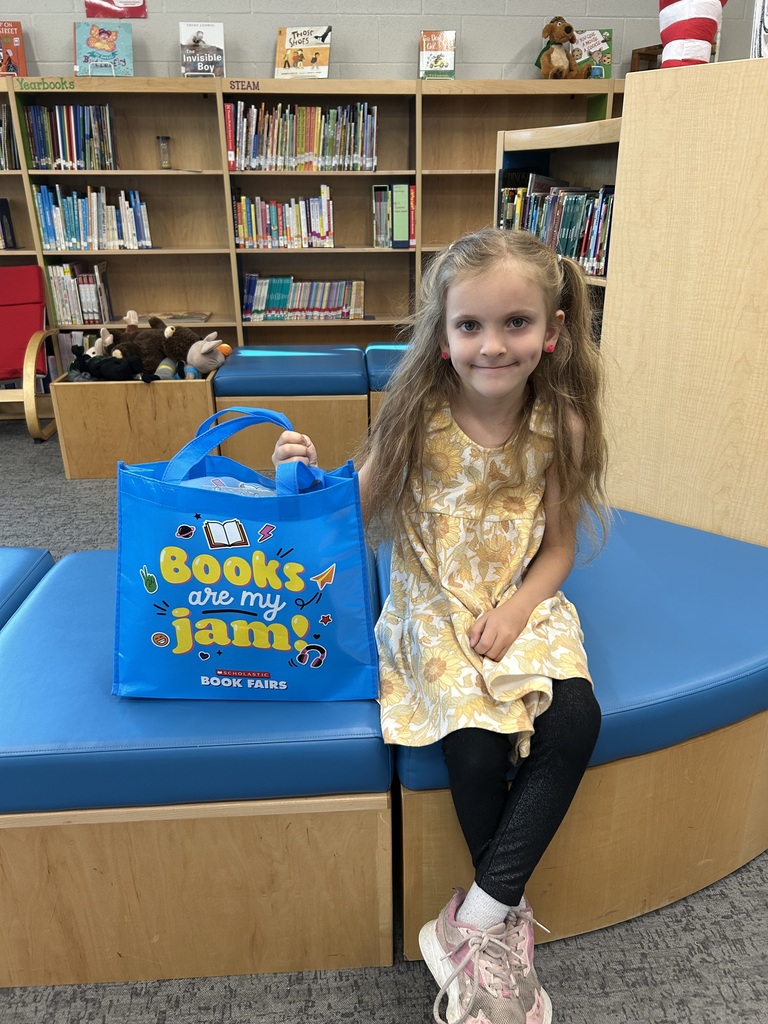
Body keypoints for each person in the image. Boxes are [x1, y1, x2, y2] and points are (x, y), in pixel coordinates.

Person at [273, 227, 608, 1024]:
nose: (492, 345)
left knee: (575, 720)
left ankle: (476, 921)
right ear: (443, 331)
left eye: (516, 323)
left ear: (553, 329)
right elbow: (351, 509)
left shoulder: (561, 424)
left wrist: (519, 610)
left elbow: (559, 548)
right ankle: (497, 926)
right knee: (474, 740)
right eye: (470, 325)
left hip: (518, 596)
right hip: (432, 603)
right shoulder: (418, 413)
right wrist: (298, 474)